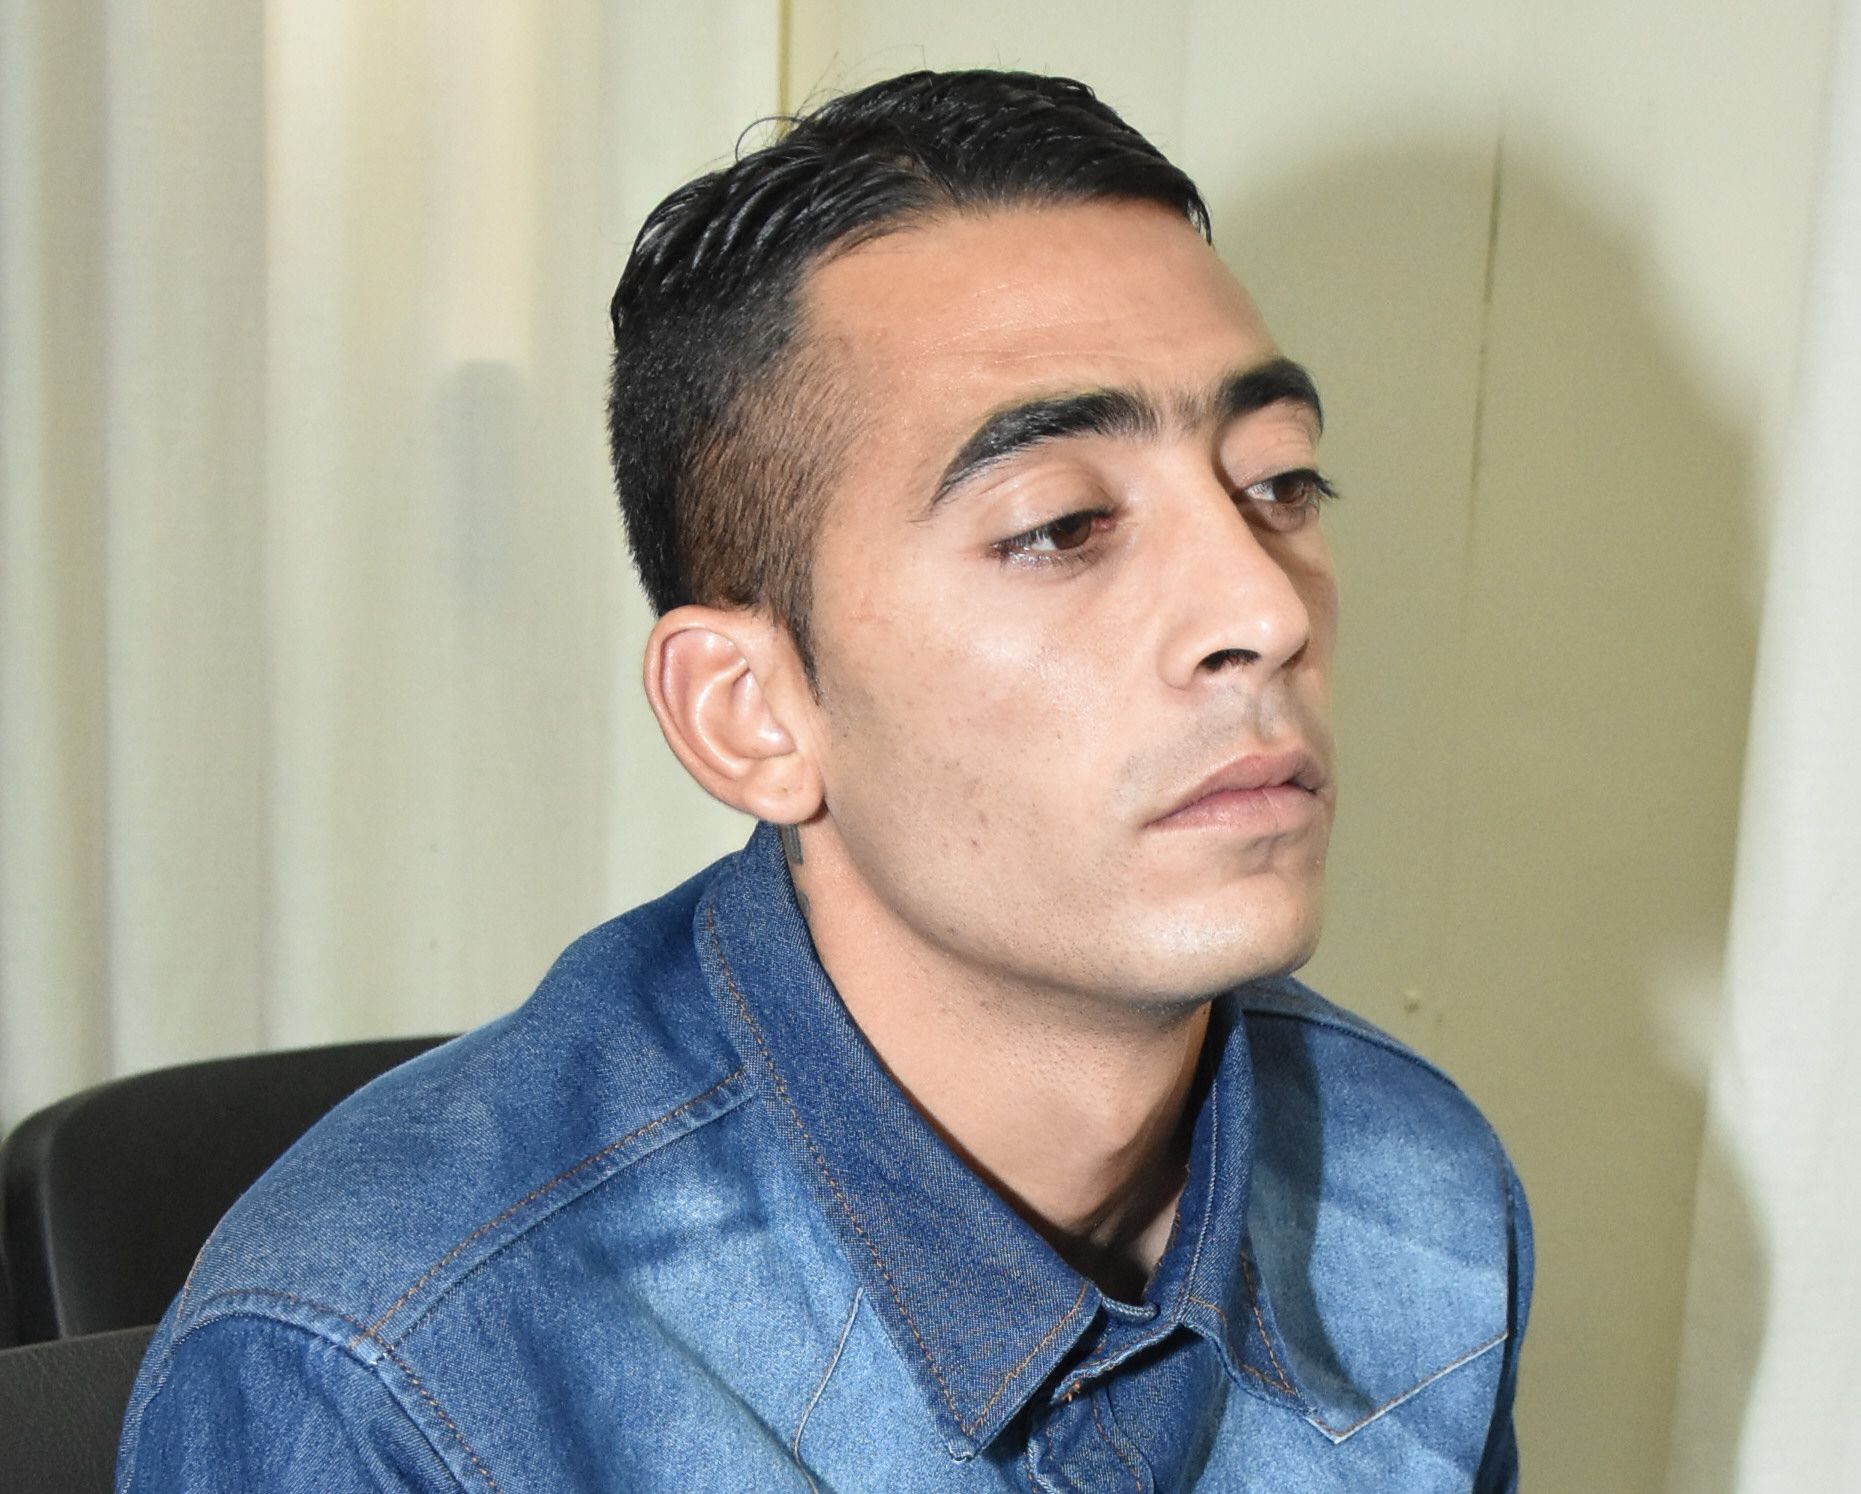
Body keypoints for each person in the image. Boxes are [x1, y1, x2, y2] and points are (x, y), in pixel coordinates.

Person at [117, 69, 1530, 1491]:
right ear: (752, 715)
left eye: (1278, 482)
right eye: (1060, 525)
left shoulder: (1416, 1185)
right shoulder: (391, 1372)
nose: (1264, 609)